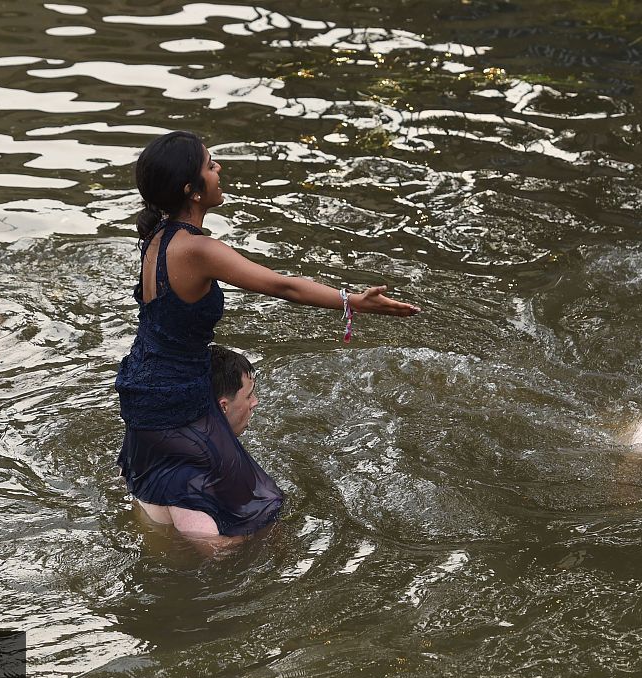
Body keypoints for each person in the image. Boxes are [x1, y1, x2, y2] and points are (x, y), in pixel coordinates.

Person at [115, 130, 420, 540]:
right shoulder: (196, 249)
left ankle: (168, 555)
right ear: (192, 190)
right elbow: (282, 286)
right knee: (259, 513)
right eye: (210, 164)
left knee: (173, 485)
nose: (218, 168)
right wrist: (352, 301)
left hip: (142, 386)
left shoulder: (155, 237)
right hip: (174, 398)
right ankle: (234, 585)